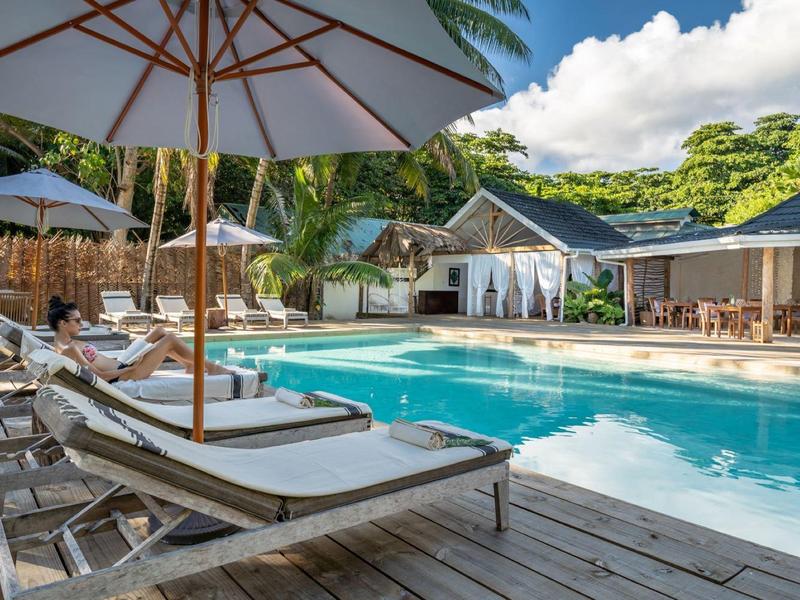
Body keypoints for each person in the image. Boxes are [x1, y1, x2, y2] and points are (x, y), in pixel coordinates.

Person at [47, 296, 233, 383]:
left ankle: (189, 364)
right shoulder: (69, 349)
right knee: (169, 340)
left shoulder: (61, 344)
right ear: (63, 323)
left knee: (159, 331)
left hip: (121, 362)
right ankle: (210, 367)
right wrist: (132, 368)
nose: (81, 324)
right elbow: (98, 377)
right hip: (122, 375)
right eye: (77, 321)